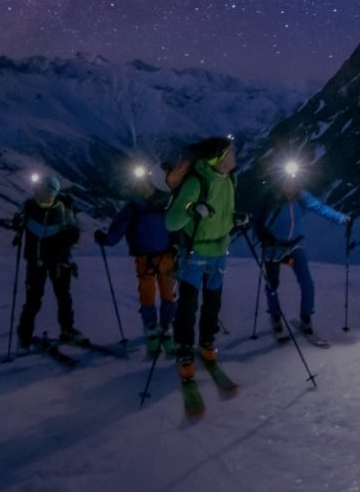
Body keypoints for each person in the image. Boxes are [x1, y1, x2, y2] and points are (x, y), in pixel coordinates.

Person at [165, 136, 245, 380]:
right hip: (196, 252)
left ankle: (207, 341)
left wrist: (235, 219)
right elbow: (171, 222)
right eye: (229, 152)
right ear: (219, 159)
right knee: (188, 306)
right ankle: (185, 350)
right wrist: (191, 208)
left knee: (213, 303)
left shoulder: (230, 179)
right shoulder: (197, 182)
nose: (234, 155)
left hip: (219, 252)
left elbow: (222, 213)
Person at [255, 167, 350, 336]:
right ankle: (275, 316)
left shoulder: (302, 197)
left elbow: (320, 207)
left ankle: (306, 318)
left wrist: (341, 218)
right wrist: (263, 237)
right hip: (274, 249)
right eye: (287, 179)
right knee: (273, 284)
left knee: (307, 283)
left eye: (293, 179)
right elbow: (259, 223)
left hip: (294, 247)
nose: (291, 183)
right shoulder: (272, 199)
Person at [94, 170, 178, 356]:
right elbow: (175, 228)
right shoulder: (163, 204)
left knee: (158, 294)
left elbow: (117, 230)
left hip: (152, 258)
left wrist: (105, 239)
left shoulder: (135, 207)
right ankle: (162, 328)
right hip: (160, 257)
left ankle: (156, 329)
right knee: (159, 294)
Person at [13, 174, 82, 350]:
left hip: (57, 260)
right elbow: (17, 221)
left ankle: (65, 330)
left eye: (43, 190)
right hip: (39, 261)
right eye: (39, 190)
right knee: (35, 299)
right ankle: (26, 336)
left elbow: (74, 233)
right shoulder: (30, 207)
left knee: (62, 296)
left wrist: (67, 240)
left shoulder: (62, 208)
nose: (40, 193)